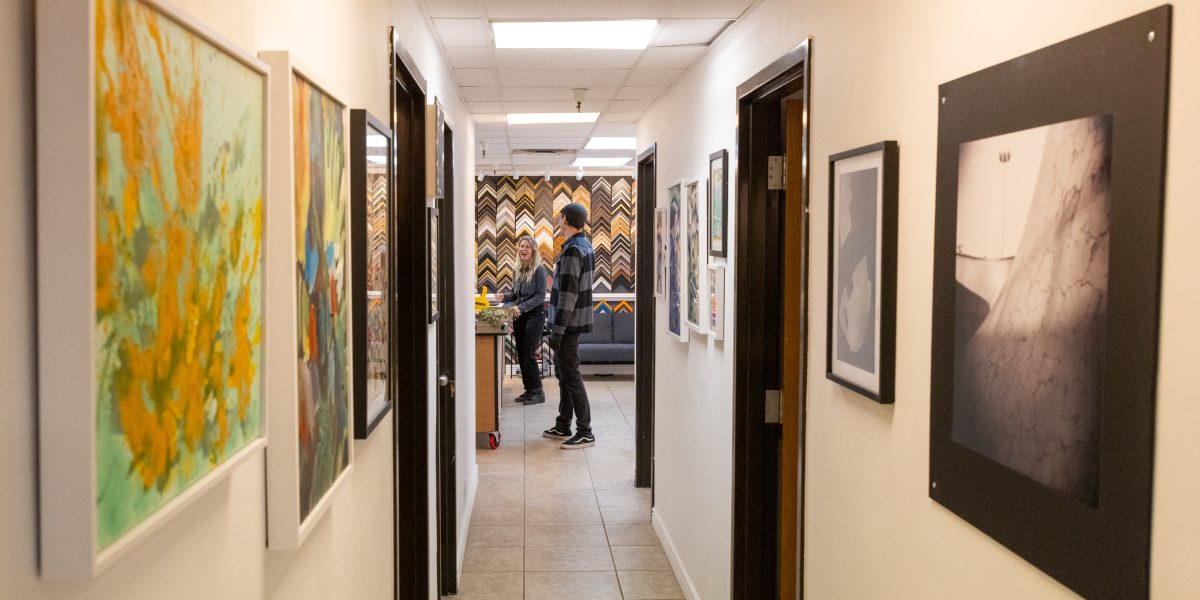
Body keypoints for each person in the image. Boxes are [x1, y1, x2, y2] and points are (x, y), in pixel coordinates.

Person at [543, 202, 596, 449]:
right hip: (572, 323)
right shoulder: (584, 246)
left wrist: (558, 330)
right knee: (564, 374)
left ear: (566, 219)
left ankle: (585, 430)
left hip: (568, 325)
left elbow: (568, 294)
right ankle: (563, 423)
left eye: (560, 216)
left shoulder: (574, 249)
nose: (558, 220)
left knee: (571, 376)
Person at [501, 235, 548, 405]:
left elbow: (540, 296)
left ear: (533, 251)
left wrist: (520, 307)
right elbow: (515, 294)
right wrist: (505, 296)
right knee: (521, 353)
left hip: (535, 316)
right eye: (521, 246)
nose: (523, 249)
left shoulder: (539, 270)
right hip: (520, 316)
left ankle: (538, 391)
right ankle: (529, 390)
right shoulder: (518, 270)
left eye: (527, 246)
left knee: (528, 353)